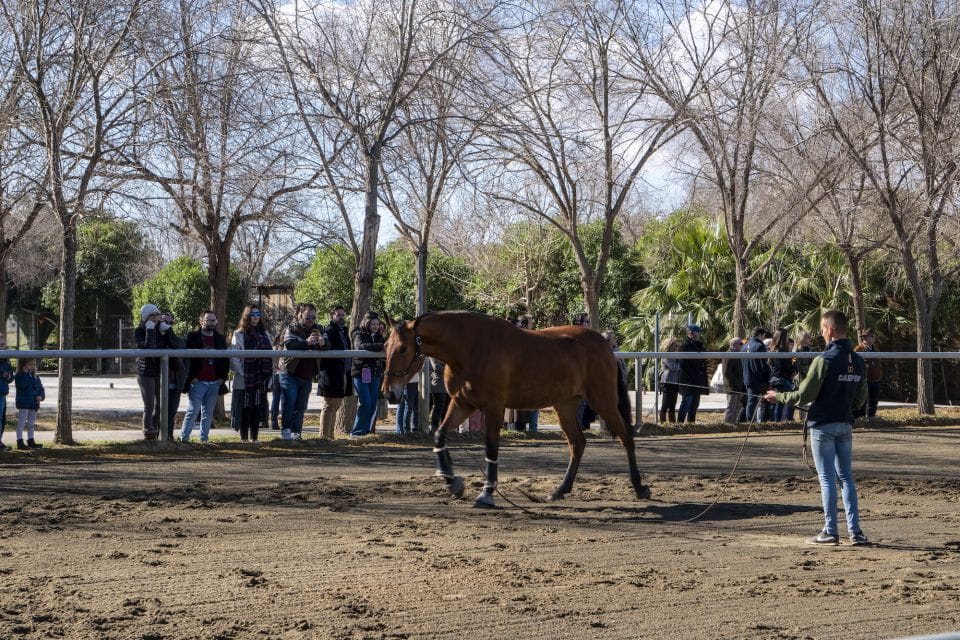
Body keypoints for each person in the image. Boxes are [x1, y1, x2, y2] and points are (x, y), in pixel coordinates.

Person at [765, 309, 869, 545]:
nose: (821, 334)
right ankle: (855, 531)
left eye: (822, 330)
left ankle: (830, 530)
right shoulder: (858, 361)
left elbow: (804, 395)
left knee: (827, 479)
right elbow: (860, 399)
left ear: (830, 330)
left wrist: (778, 397)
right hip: (845, 424)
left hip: (823, 426)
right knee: (846, 478)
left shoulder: (823, 360)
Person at [278, 303, 326, 440]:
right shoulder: (291, 328)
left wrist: (323, 343)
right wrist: (307, 342)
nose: (311, 320)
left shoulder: (319, 329)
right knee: (289, 403)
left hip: (307, 375)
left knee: (301, 406)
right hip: (289, 372)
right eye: (307, 317)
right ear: (300, 315)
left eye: (313, 317)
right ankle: (286, 432)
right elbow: (289, 344)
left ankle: (296, 433)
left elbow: (329, 344)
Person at [180, 310, 229, 443]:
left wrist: (222, 378)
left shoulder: (220, 338)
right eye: (209, 320)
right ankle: (184, 439)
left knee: (208, 413)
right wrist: (191, 377)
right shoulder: (191, 337)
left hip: (214, 383)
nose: (212, 323)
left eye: (214, 320)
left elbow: (226, 360)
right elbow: (184, 359)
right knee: (193, 411)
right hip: (197, 382)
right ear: (201, 321)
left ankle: (204, 440)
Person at [230, 304, 273, 443]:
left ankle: (255, 438)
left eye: (258, 314)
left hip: (260, 378)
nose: (255, 317)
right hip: (245, 378)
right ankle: (244, 439)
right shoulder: (239, 334)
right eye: (253, 314)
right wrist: (243, 372)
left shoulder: (265, 334)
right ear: (247, 316)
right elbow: (234, 357)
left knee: (257, 409)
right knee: (245, 409)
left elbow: (270, 355)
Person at [134, 303, 177, 440]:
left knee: (160, 405)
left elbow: (176, 345)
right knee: (150, 405)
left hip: (158, 371)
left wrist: (168, 330)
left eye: (156, 315)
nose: (155, 318)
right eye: (152, 316)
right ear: (146, 317)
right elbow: (148, 349)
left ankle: (156, 431)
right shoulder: (139, 331)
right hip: (145, 372)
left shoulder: (160, 329)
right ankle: (148, 432)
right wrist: (150, 330)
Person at [317, 305, 351, 439]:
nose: (341, 317)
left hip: (342, 373)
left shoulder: (343, 331)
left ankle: (330, 436)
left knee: (336, 405)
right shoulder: (329, 331)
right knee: (329, 405)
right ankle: (324, 436)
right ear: (332, 316)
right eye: (338, 315)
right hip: (330, 373)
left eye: (343, 315)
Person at [350, 311, 385, 437]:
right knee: (365, 403)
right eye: (373, 324)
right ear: (367, 323)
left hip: (375, 372)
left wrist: (380, 346)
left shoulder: (379, 335)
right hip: (361, 371)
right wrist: (381, 346)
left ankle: (366, 431)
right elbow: (360, 346)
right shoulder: (357, 332)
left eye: (377, 324)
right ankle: (356, 432)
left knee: (373, 403)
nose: (376, 326)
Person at [160, 311, 187, 440]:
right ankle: (156, 437)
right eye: (165, 322)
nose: (168, 325)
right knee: (159, 412)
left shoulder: (177, 339)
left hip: (175, 384)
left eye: (170, 323)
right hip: (160, 383)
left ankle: (169, 437)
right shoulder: (156, 338)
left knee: (171, 413)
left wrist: (169, 332)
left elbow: (179, 346)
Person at [677, 324, 708, 423]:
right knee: (686, 403)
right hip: (688, 381)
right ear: (691, 333)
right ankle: (680, 423)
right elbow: (683, 365)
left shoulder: (698, 346)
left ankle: (691, 424)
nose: (699, 335)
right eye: (697, 333)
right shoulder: (684, 346)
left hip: (697, 381)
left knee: (694, 405)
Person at [13, 358, 44, 449]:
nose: (32, 367)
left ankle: (31, 440)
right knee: (22, 423)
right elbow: (22, 385)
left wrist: (41, 396)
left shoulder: (36, 377)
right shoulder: (19, 376)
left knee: (31, 424)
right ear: (23, 366)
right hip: (24, 403)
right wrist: (26, 374)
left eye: (34, 365)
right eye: (30, 364)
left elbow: (40, 388)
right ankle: (19, 441)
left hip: (34, 403)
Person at [742, 327, 771, 422]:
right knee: (767, 400)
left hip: (748, 378)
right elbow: (764, 364)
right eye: (764, 336)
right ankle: (764, 421)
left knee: (751, 402)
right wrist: (768, 377)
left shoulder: (745, 346)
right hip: (760, 378)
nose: (764, 338)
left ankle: (749, 422)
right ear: (760, 335)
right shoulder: (759, 346)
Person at [768, 328, 797, 421]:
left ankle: (778, 421)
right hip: (781, 379)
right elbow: (783, 367)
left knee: (780, 402)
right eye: (787, 336)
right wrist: (793, 365)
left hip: (778, 379)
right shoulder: (780, 352)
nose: (788, 338)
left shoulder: (775, 350)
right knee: (790, 398)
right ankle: (786, 420)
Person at [854, 328, 882, 418]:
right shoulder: (859, 349)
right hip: (864, 380)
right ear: (865, 338)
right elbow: (853, 363)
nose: (873, 338)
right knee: (862, 400)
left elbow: (878, 363)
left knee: (874, 400)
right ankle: (860, 418)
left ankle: (871, 417)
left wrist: (879, 373)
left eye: (874, 336)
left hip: (875, 379)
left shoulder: (876, 349)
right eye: (871, 336)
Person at [723, 337, 745, 423]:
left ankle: (733, 424)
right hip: (731, 386)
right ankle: (727, 424)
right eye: (740, 344)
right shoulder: (729, 355)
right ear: (734, 345)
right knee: (731, 407)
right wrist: (736, 382)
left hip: (737, 386)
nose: (742, 346)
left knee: (736, 407)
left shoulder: (737, 355)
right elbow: (726, 372)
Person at [658, 336, 680, 423]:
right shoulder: (665, 356)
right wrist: (680, 364)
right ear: (669, 346)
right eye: (675, 345)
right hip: (667, 382)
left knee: (672, 405)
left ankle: (672, 423)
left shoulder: (677, 356)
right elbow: (674, 367)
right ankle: (663, 424)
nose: (677, 347)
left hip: (675, 382)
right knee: (665, 405)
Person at [429, 358, 450, 433]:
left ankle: (443, 427)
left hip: (447, 387)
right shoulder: (433, 356)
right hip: (437, 386)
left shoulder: (444, 355)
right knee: (438, 407)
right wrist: (449, 368)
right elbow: (437, 368)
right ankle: (434, 427)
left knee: (445, 408)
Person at [0, 338, 13, 451]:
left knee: (2, 418)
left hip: (2, 393)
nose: (2, 346)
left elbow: (11, 378)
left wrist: (8, 376)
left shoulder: (6, 362)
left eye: (3, 344)